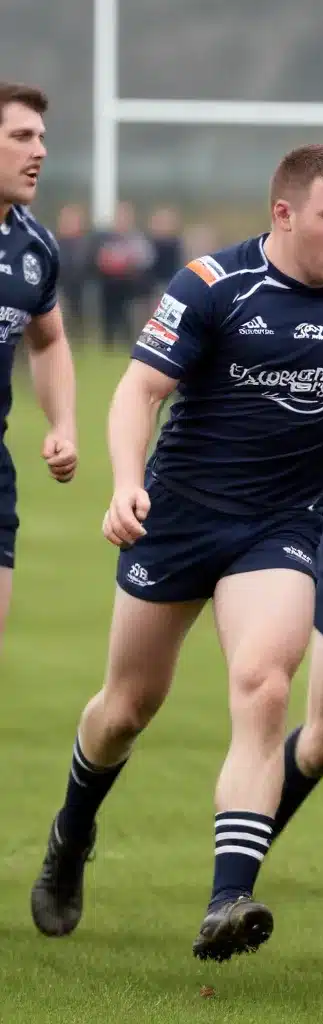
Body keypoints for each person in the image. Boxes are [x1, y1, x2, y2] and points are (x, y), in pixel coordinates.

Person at [29, 143, 323, 963]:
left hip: (280, 530)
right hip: (175, 520)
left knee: (264, 685)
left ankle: (228, 897)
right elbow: (137, 390)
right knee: (126, 709)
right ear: (283, 215)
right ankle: (72, 831)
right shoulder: (214, 285)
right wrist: (126, 483)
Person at [0, 81, 77, 649]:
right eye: (22, 136)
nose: (40, 151)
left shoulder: (35, 248)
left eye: (42, 138)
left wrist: (63, 423)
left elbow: (47, 341)